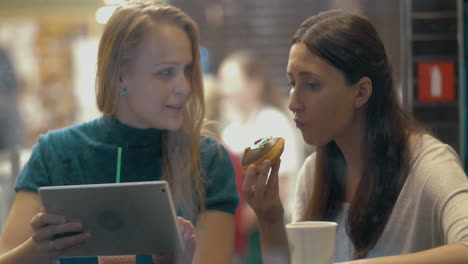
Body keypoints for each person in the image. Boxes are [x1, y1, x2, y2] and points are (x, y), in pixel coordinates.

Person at [0, 1, 239, 264]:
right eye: (166, 72)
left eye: (187, 70)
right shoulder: (55, 153)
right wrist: (38, 248)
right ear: (121, 75)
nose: (184, 86)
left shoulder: (208, 160)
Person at [243, 10, 468, 264]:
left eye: (312, 85)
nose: (294, 102)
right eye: (292, 83)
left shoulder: (428, 165)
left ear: (361, 92)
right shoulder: (313, 173)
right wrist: (270, 218)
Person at [217, 50, 304, 263]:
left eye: (230, 81)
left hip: (267, 229)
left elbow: (280, 188)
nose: (224, 89)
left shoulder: (272, 122)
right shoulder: (232, 128)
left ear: (254, 85)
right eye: (222, 81)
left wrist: (238, 225)